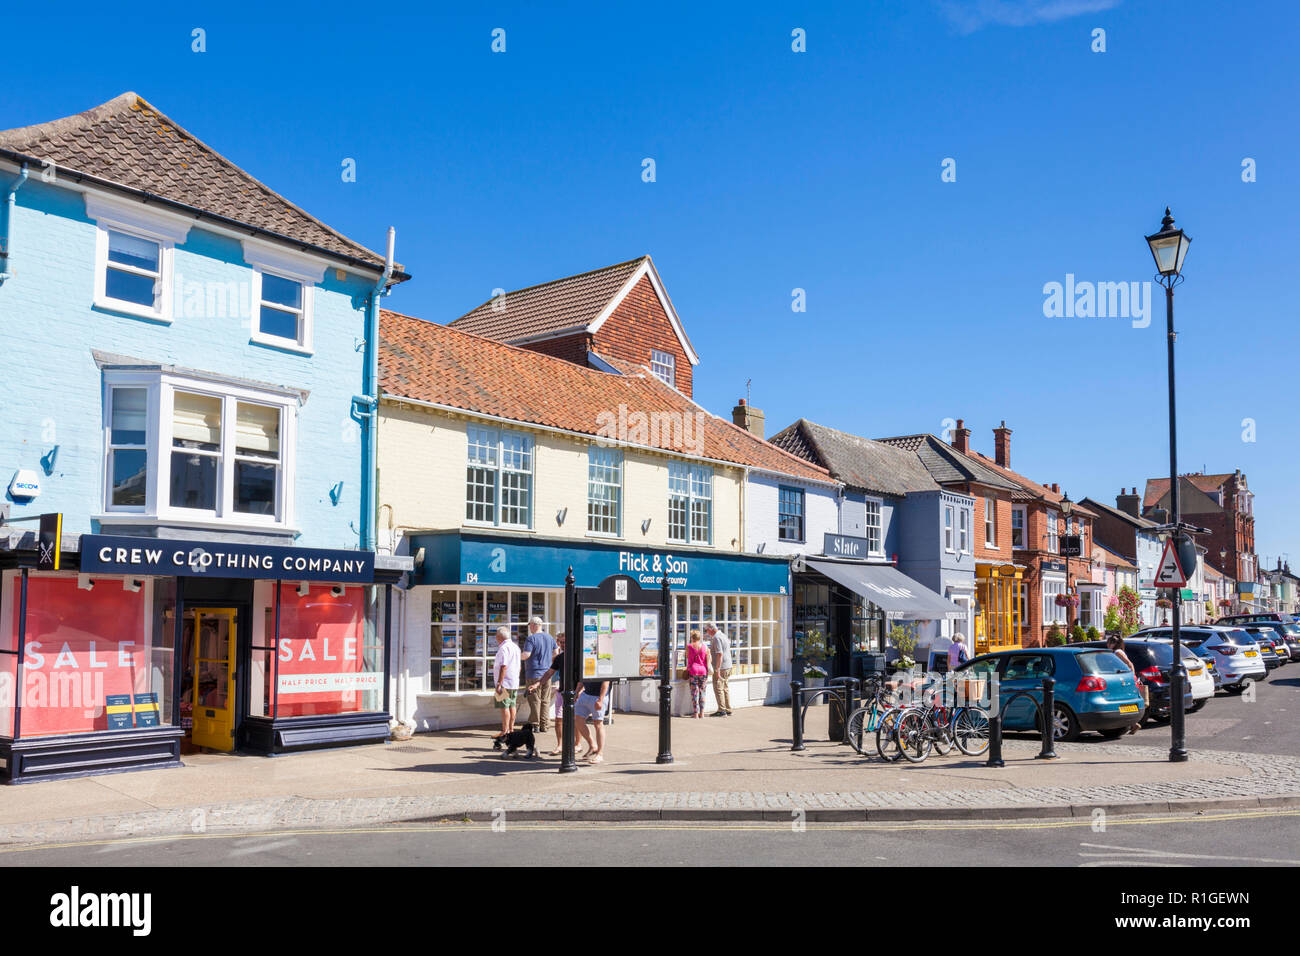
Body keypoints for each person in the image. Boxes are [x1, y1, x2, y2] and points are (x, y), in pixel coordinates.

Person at [528, 631, 567, 755]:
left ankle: (578, 744)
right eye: (561, 642)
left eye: (565, 642)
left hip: (576, 692)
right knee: (559, 720)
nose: (562, 645)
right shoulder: (560, 658)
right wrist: (537, 684)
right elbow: (549, 673)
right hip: (562, 691)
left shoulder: (577, 656)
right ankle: (560, 745)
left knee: (576, 721)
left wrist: (579, 690)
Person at [520, 616, 557, 734]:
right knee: (545, 700)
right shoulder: (550, 637)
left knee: (535, 700)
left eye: (530, 625)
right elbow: (556, 653)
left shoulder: (531, 639)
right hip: (547, 673)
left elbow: (526, 654)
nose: (530, 628)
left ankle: (535, 725)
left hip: (534, 673)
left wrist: (515, 656)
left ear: (535, 625)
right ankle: (544, 725)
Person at [1106, 632, 1143, 735]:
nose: (1107, 645)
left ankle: (1133, 723)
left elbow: (1129, 663)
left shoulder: (1117, 652)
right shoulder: (1119, 651)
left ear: (1113, 644)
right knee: (1124, 703)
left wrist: (1132, 676)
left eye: (1108, 643)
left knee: (1122, 702)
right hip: (1123, 678)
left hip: (1124, 679)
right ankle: (1133, 724)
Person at [492, 626, 520, 736]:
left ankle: (505, 731)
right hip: (513, 681)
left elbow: (504, 666)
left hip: (505, 682)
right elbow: (519, 666)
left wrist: (499, 683)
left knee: (504, 707)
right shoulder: (515, 647)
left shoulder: (503, 648)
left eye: (496, 636)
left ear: (499, 637)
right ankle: (511, 729)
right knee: (512, 705)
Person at [575, 675, 610, 763]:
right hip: (585, 694)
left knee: (598, 724)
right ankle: (592, 745)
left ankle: (600, 754)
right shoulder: (587, 661)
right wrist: (576, 692)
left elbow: (606, 681)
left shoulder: (604, 663)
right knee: (577, 720)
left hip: (598, 696)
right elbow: (582, 678)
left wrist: (601, 699)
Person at [705, 622, 732, 716]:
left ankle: (722, 710)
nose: (707, 632)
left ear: (711, 629)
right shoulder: (723, 635)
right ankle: (728, 709)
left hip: (722, 667)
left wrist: (717, 669)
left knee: (718, 688)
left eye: (707, 630)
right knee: (725, 688)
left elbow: (719, 654)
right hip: (728, 665)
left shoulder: (716, 638)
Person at [686, 628, 710, 718]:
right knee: (702, 692)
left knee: (694, 692)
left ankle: (695, 713)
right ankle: (702, 713)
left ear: (692, 637)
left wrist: (687, 669)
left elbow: (689, 660)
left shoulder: (689, 646)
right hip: (703, 671)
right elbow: (707, 659)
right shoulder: (705, 647)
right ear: (699, 637)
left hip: (693, 671)